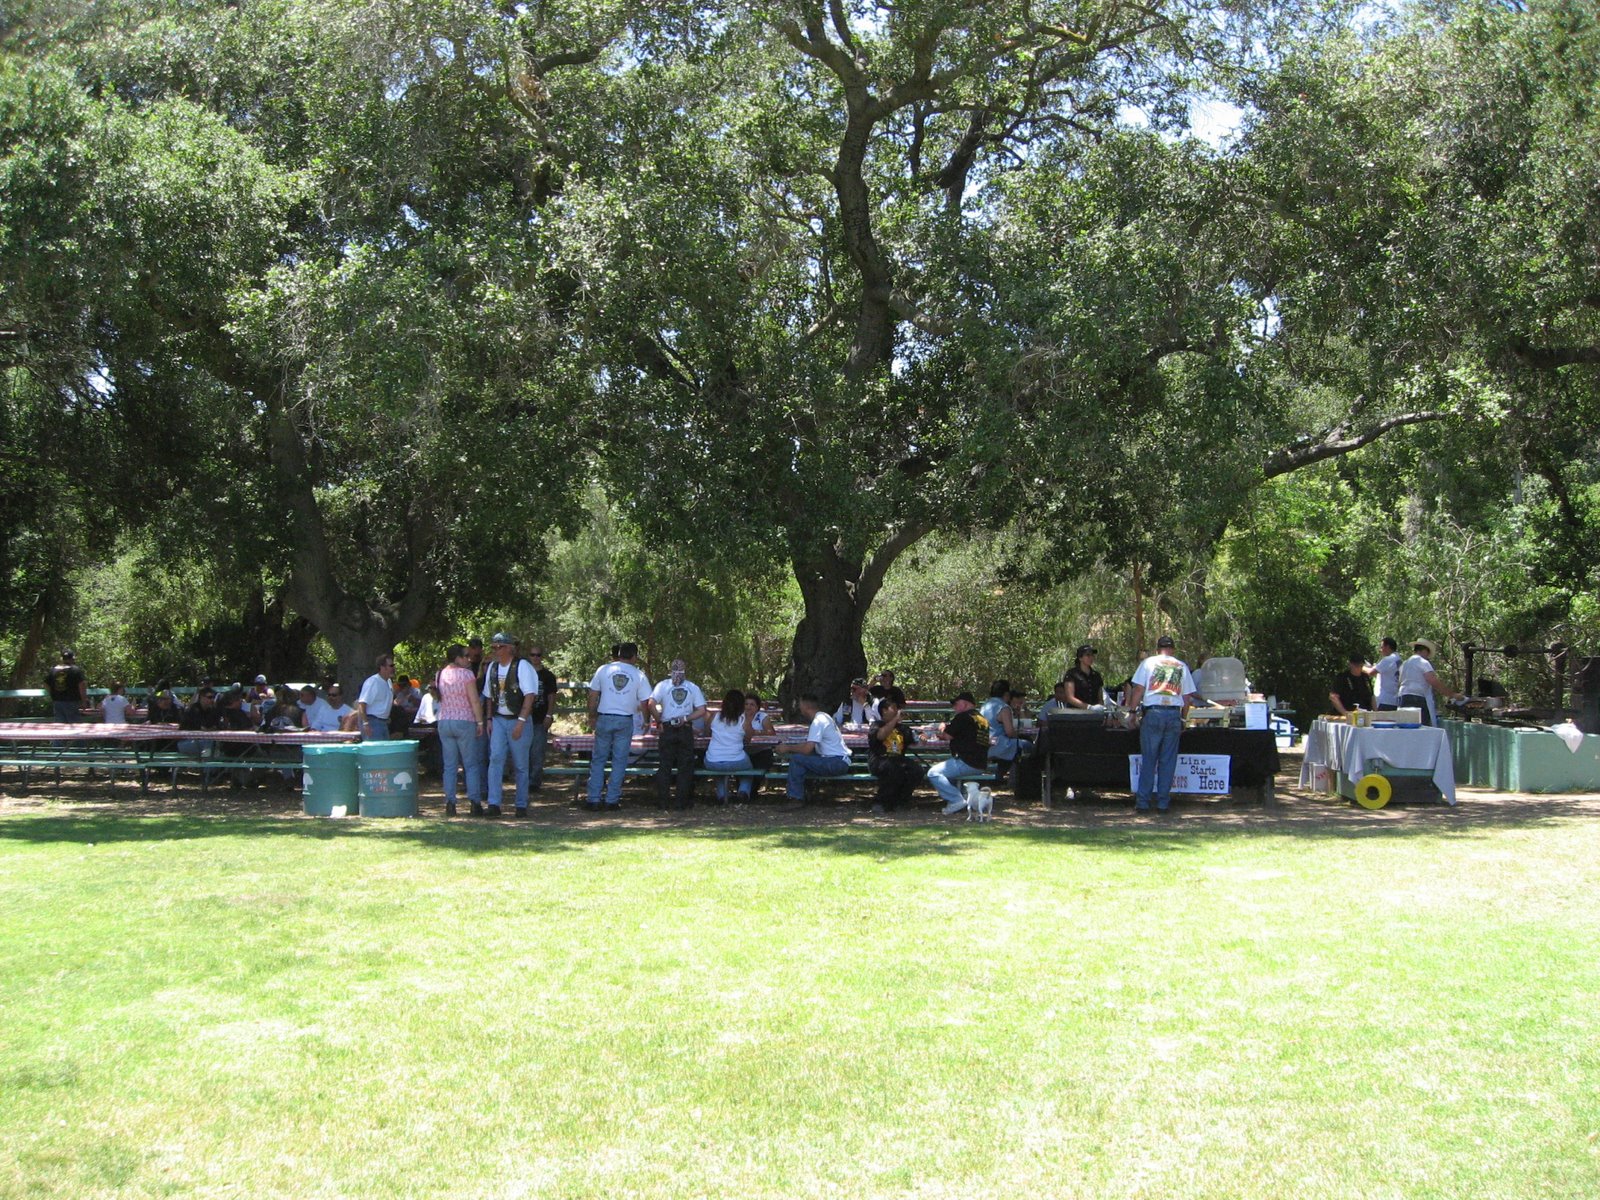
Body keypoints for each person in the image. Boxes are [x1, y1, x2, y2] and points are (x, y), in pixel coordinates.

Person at [1124, 635, 1201, 814]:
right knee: (1168, 760)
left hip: (1153, 712)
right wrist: (1183, 719)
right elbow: (1187, 697)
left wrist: (1132, 712)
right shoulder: (1181, 666)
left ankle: (1143, 803)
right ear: (1172, 649)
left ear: (1157, 649)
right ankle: (1163, 803)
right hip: (1173, 713)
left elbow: (1138, 689)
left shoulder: (1148, 663)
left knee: (1149, 759)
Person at [585, 641, 651, 813]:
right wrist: (646, 720)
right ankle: (612, 800)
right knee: (619, 761)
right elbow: (645, 702)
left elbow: (593, 695)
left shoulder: (604, 670)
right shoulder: (638, 675)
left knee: (599, 759)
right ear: (634, 656)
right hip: (625, 719)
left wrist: (591, 715)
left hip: (604, 716)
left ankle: (593, 798)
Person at [482, 632, 539, 817]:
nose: (496, 651)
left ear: (509, 648)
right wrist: (489, 719)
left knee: (520, 764)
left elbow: (530, 695)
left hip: (518, 718)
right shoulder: (492, 668)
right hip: (499, 719)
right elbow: (489, 696)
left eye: (499, 647)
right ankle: (493, 804)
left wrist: (521, 722)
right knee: (495, 759)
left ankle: (521, 804)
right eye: (493, 647)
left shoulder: (522, 666)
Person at [649, 658, 707, 810]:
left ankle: (663, 801)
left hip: (667, 728)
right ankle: (681, 802)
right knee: (685, 766)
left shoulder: (663, 685)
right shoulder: (692, 687)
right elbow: (702, 710)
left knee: (665, 765)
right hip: (685, 728)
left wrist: (659, 720)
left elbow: (651, 704)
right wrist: (686, 718)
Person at [435, 644, 486, 817]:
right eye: (465, 656)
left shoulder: (441, 674)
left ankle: (450, 803)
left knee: (449, 766)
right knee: (470, 764)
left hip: (445, 720)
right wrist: (480, 722)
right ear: (457, 658)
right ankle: (475, 802)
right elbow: (474, 700)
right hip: (464, 720)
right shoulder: (467, 674)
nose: (469, 659)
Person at [779, 693, 852, 801]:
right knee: (801, 762)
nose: (799, 708)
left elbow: (807, 749)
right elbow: (809, 746)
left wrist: (787, 748)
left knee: (797, 760)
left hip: (836, 762)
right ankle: (805, 793)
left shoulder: (818, 722)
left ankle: (795, 797)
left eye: (800, 704)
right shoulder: (824, 717)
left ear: (805, 706)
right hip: (839, 761)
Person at [928, 692, 992, 814]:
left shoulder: (963, 717)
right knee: (946, 773)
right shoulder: (982, 719)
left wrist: (941, 727)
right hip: (980, 763)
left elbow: (947, 735)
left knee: (933, 773)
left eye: (956, 704)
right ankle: (961, 798)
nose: (954, 708)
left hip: (966, 762)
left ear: (965, 704)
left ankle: (956, 800)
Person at [868, 698, 925, 813]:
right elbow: (880, 736)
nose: (897, 710)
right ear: (884, 710)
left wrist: (923, 735)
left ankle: (901, 801)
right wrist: (894, 720)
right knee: (893, 769)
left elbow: (916, 735)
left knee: (917, 770)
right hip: (880, 759)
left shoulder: (902, 728)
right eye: (893, 708)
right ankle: (881, 802)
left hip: (899, 759)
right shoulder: (877, 725)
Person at [704, 688, 755, 803]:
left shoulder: (714, 716)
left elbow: (706, 732)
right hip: (736, 760)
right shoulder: (743, 720)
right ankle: (743, 791)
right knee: (749, 769)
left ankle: (722, 795)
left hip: (712, 760)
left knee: (719, 772)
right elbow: (748, 739)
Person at [1398, 639, 1461, 726]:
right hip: (1417, 699)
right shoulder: (1423, 662)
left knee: (1406, 725)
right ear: (1424, 651)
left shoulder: (1405, 664)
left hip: (1403, 697)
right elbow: (1433, 681)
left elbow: (1400, 680)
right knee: (1421, 727)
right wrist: (1452, 694)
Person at [525, 645, 559, 792]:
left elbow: (552, 697)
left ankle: (534, 782)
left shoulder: (548, 676)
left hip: (540, 718)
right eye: (533, 655)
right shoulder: (523, 674)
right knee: (523, 752)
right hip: (524, 719)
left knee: (537, 752)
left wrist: (549, 715)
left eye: (538, 655)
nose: (535, 658)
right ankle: (523, 780)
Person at [980, 679, 1026, 783]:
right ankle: (1017, 780)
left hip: (984, 744)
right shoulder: (1004, 708)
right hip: (998, 745)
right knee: (1025, 746)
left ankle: (999, 776)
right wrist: (1020, 735)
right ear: (1006, 694)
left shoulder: (984, 706)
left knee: (1013, 747)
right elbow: (1009, 732)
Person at [356, 654, 396, 740]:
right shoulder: (373, 682)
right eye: (391, 666)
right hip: (372, 722)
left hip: (384, 723)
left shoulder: (389, 682)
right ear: (382, 667)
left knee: (384, 748)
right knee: (376, 748)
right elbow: (362, 704)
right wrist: (365, 724)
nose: (393, 668)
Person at [743, 691, 776, 793]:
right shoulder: (739, 716)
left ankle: (750, 792)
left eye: (752, 704)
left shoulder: (762, 716)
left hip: (761, 750)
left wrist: (755, 732)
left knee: (759, 768)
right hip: (743, 750)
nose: (748, 707)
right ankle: (744, 791)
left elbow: (771, 733)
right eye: (746, 704)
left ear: (757, 707)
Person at [44, 648, 87, 722]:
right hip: (72, 701)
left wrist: (52, 694)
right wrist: (84, 701)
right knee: (74, 725)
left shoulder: (53, 670)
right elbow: (82, 685)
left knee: (60, 725)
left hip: (57, 701)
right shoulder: (75, 670)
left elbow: (46, 684)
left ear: (62, 659)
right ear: (73, 658)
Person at [1372, 636, 1402, 711]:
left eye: (1382, 647)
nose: (1380, 650)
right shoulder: (1398, 659)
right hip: (1394, 700)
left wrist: (1360, 666)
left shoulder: (1388, 659)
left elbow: (1371, 672)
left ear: (1387, 647)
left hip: (1384, 700)